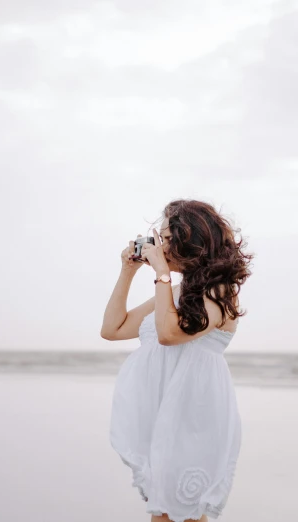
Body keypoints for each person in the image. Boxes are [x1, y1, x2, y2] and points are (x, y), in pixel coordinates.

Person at [100, 199, 254, 522]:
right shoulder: (174, 291)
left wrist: (160, 273)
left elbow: (170, 332)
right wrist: (127, 271)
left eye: (168, 238)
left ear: (192, 241)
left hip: (196, 419)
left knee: (187, 513)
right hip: (165, 418)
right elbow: (112, 328)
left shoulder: (221, 292)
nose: (161, 245)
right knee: (162, 514)